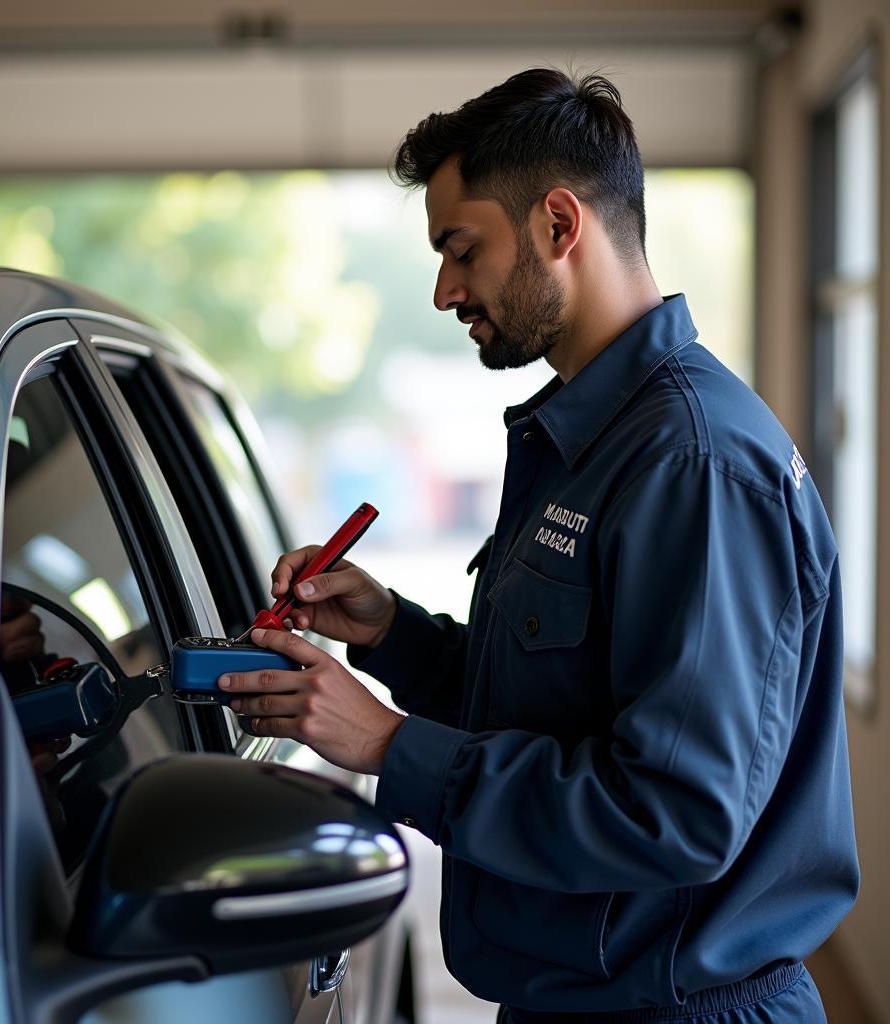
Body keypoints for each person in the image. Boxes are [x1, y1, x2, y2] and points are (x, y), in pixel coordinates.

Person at [218, 69, 859, 1022]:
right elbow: (566, 699)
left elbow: (674, 812)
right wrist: (392, 634)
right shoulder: (592, 441)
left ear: (560, 225)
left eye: (461, 249)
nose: (444, 290)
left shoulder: (691, 463)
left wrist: (389, 744)